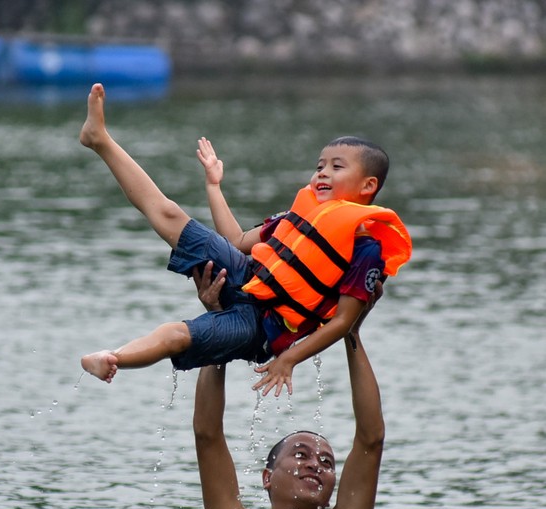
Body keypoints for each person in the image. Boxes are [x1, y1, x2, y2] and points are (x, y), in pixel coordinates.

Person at [79, 82, 412, 396]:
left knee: (176, 335)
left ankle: (113, 358)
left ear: (368, 186)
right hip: (245, 276)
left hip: (259, 328)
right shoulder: (302, 216)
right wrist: (213, 185)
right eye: (319, 165)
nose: (322, 172)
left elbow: (343, 321)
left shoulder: (367, 249)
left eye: (336, 167)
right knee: (170, 214)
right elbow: (237, 240)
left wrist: (289, 358)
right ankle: (101, 140)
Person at [192, 262, 384, 509]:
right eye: (301, 454)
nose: (316, 464)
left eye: (327, 462)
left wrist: (351, 329)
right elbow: (207, 435)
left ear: (334, 486)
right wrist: (218, 328)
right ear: (267, 477)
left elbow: (371, 438)